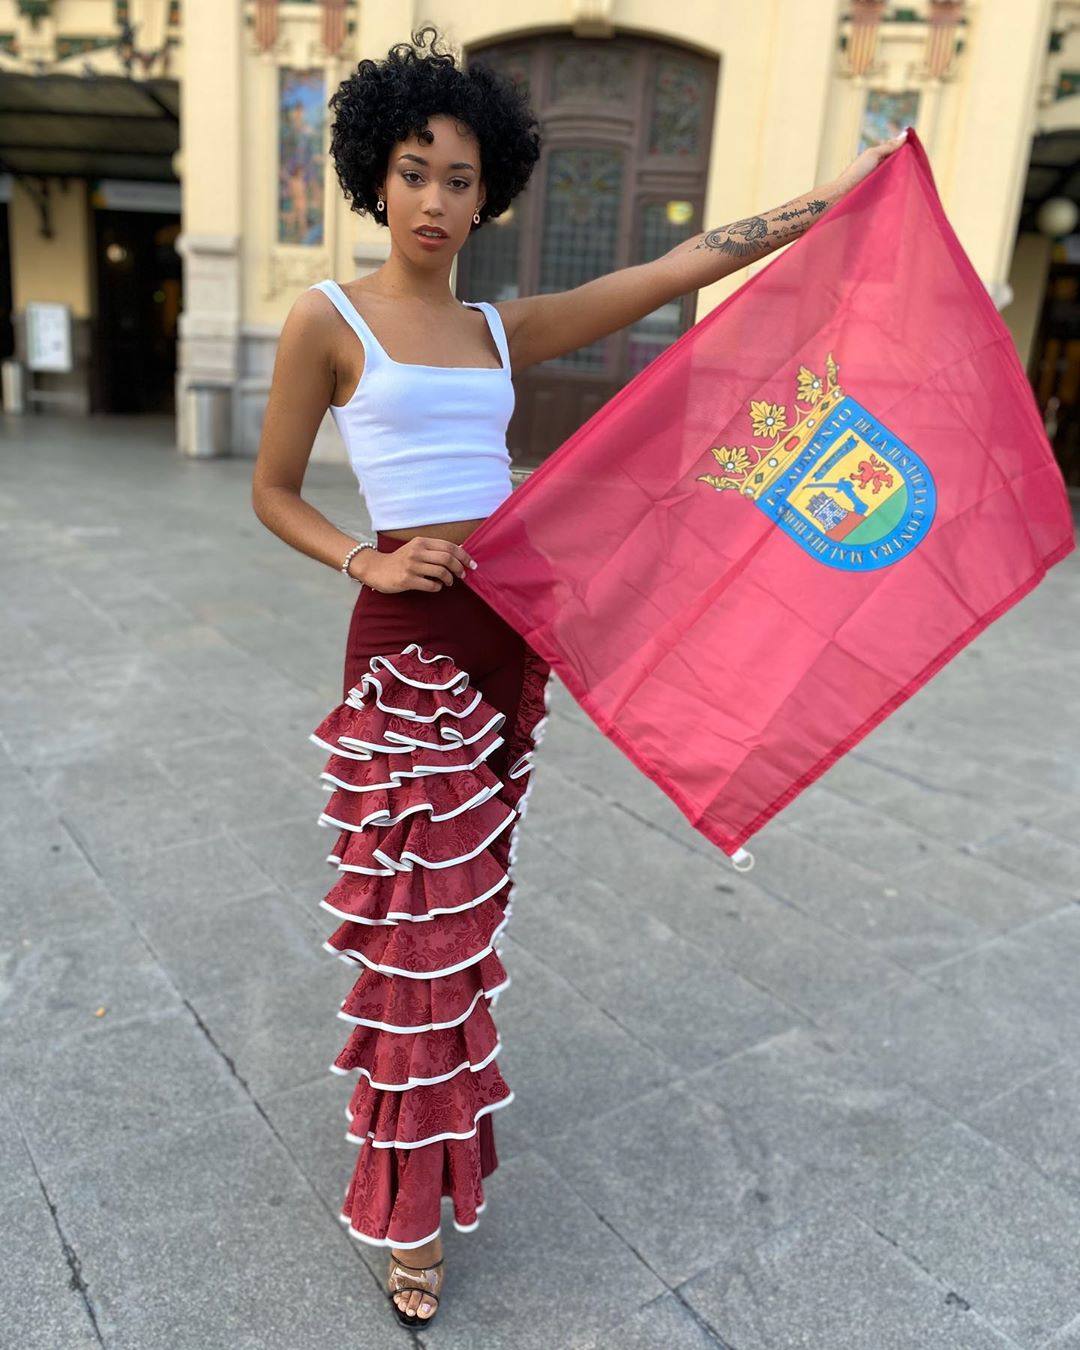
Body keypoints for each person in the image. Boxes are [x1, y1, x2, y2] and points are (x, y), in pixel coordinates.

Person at [251, 23, 906, 1327]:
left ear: (491, 194)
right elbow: (270, 490)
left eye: (461, 178)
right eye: (416, 171)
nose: (436, 199)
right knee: (416, 935)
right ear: (376, 177)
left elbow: (674, 267)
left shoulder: (505, 329)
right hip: (404, 656)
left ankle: (424, 1157)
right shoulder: (324, 321)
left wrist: (843, 193)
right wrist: (358, 566)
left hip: (509, 649)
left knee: (465, 925)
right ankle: (405, 1204)